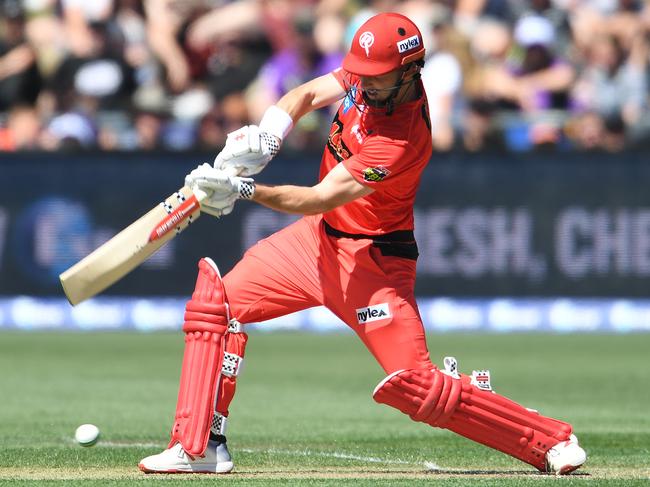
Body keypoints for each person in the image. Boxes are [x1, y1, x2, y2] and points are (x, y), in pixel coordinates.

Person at [139, 12, 587, 475]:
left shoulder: (402, 140)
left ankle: (549, 440)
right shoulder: (372, 71)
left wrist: (244, 189)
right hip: (315, 244)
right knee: (217, 306)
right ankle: (199, 445)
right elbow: (306, 94)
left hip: (371, 265)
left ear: (410, 71)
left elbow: (317, 197)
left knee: (417, 385)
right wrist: (269, 137)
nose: (365, 85)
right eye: (364, 74)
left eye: (377, 78)